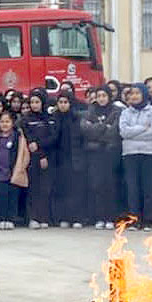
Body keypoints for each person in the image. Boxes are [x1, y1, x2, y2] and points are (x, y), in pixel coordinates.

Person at [119, 84, 152, 231]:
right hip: (130, 153)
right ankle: (134, 220)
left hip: (149, 153)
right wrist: (144, 128)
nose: (135, 96)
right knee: (132, 188)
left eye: (138, 93)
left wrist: (135, 131)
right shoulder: (125, 113)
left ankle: (147, 220)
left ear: (144, 94)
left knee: (148, 187)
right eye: (132, 93)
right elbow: (124, 132)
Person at [81, 86, 122, 229]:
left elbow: (114, 132)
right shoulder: (89, 112)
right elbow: (86, 130)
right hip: (95, 154)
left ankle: (110, 218)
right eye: (99, 96)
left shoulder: (117, 112)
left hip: (110, 153)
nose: (101, 98)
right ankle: (99, 217)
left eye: (104, 95)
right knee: (96, 185)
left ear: (109, 97)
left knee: (110, 185)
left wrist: (97, 128)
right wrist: (104, 127)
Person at [20, 89, 57, 229]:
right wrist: (39, 153)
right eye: (32, 102)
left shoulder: (49, 118)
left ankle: (44, 217)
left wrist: (41, 149)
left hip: (48, 157)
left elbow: (52, 138)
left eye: (37, 102)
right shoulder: (26, 120)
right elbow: (30, 140)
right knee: (33, 189)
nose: (34, 105)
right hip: (32, 159)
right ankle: (33, 218)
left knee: (45, 189)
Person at [52, 93, 86, 228]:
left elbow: (83, 139)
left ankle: (77, 218)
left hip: (75, 158)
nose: (63, 105)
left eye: (65, 102)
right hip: (60, 160)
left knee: (76, 190)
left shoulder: (77, 118)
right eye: (60, 102)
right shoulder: (54, 118)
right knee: (62, 190)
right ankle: (63, 217)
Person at [0, 111, 28, 229]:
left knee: (13, 196)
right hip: (0, 172)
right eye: (2, 122)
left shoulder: (16, 136)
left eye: (7, 122)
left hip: (13, 171)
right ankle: (1, 218)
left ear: (12, 123)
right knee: (1, 196)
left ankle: (10, 219)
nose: (4, 124)